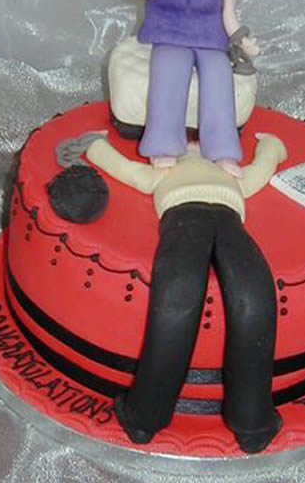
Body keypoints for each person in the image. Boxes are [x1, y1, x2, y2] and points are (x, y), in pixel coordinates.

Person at [86, 131, 287, 453]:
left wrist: (94, 145)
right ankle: (253, 424)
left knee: (182, 300)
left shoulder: (171, 168)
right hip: (214, 217)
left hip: (192, 217)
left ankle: (143, 419)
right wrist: (272, 145)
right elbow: (261, 169)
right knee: (250, 295)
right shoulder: (224, 171)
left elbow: (127, 170)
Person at [127, 0, 259, 177]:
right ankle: (163, 146)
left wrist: (241, 38)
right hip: (169, 37)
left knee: (219, 76)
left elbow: (229, 14)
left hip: (211, 41)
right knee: (169, 73)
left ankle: (223, 150)